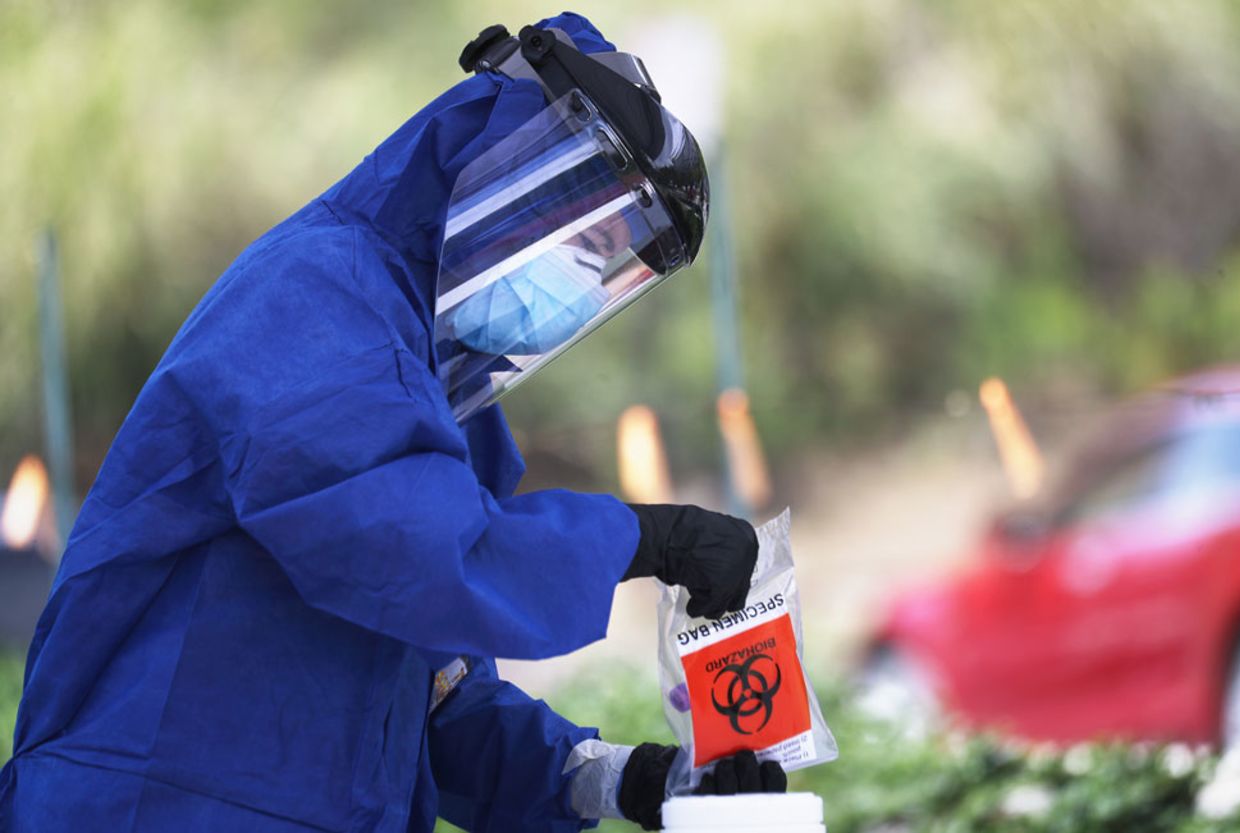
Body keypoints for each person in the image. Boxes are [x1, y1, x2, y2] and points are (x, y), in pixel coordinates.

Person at [0, 12, 784, 833]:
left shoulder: (435, 387)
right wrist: (647, 539)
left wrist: (625, 780)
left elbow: (440, 687)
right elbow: (419, 554)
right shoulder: (314, 301)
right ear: (507, 171)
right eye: (583, 239)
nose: (580, 278)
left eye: (607, 263)